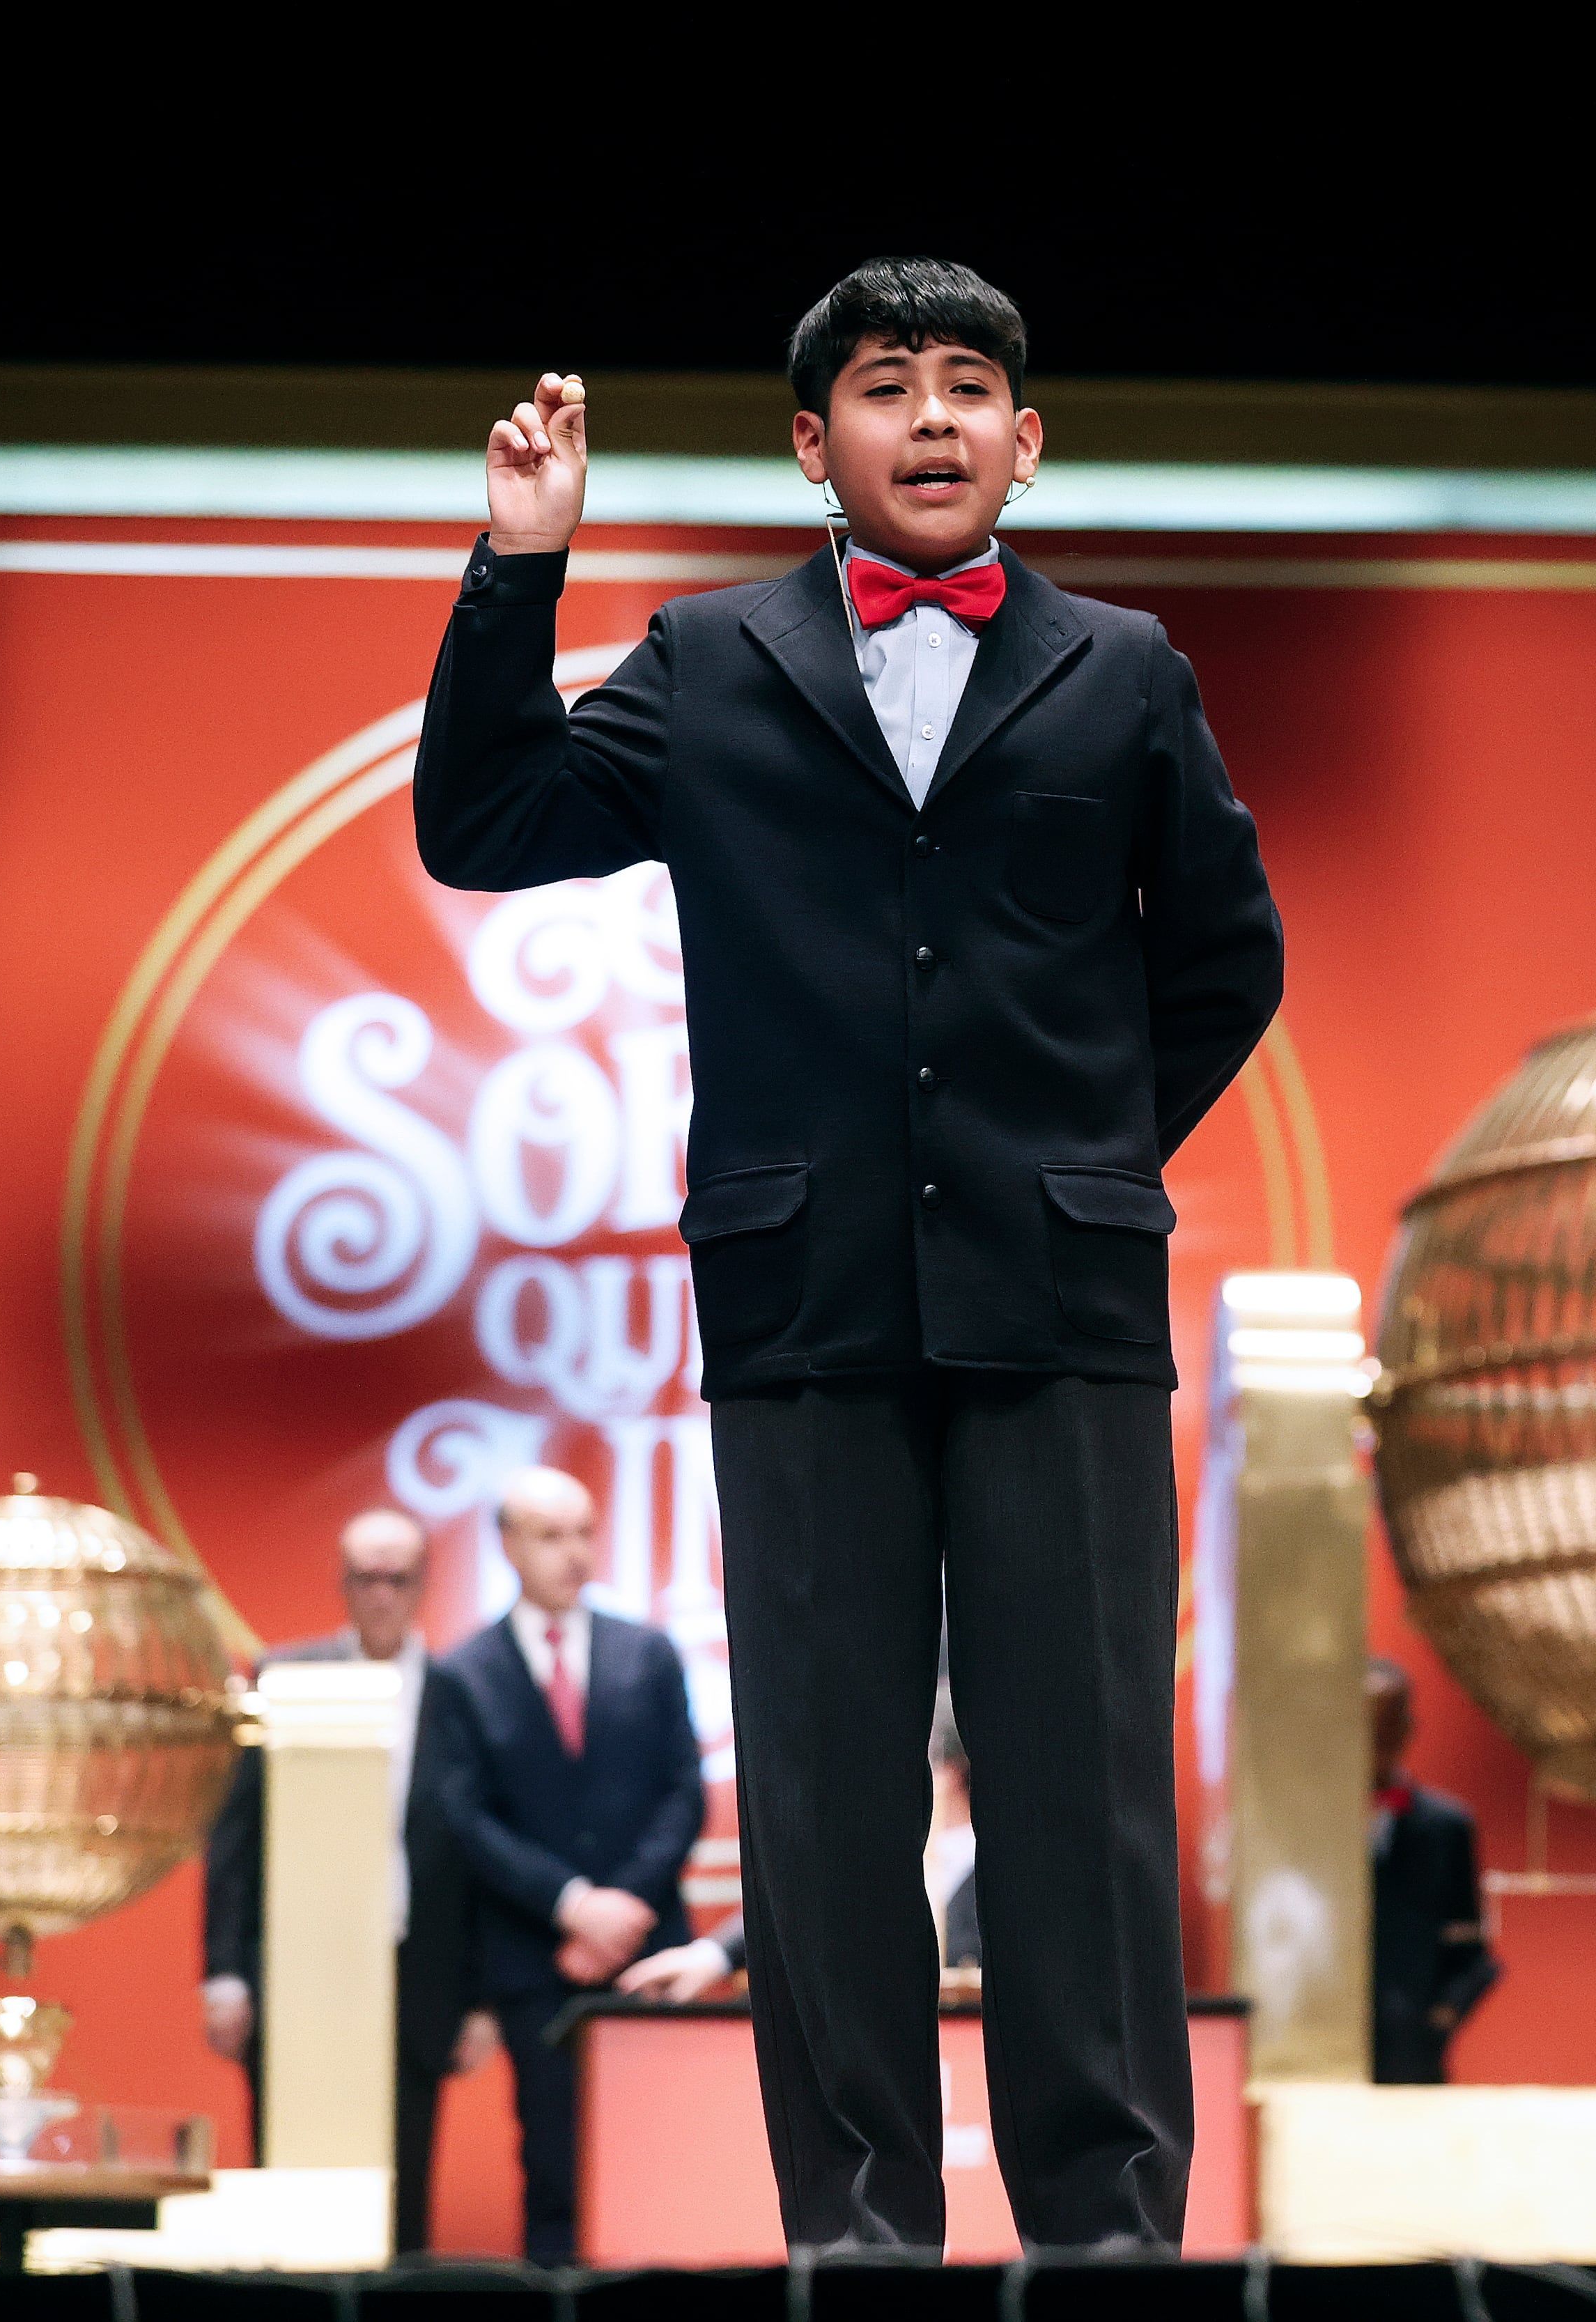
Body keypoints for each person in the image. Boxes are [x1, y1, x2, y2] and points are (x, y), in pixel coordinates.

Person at [417, 256, 1281, 2255]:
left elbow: (1227, 953)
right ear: (815, 446)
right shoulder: (714, 661)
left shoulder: (1128, 669)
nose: (937, 419)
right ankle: (859, 2232)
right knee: (821, 1799)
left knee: (1080, 1796)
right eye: (888, 387)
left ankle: (1109, 2229)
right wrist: (514, 568)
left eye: (972, 385)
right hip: (804, 1309)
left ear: (1029, 440)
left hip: (1061, 1313)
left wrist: (1083, 1162)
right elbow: (488, 817)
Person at [428, 1467, 706, 2262]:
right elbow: (467, 1819)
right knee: (554, 2171)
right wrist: (571, 1903)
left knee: (660, 2166)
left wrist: (622, 1907)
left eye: (585, 1532)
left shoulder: (646, 1653)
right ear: (509, 1545)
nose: (574, 1552)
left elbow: (683, 1794)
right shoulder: (465, 1673)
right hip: (534, 1959)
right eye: (552, 1536)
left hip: (648, 1955)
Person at [197, 1508, 490, 2255]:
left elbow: (483, 1856)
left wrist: (483, 1999)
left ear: (423, 1584)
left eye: (398, 1578)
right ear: (344, 1584)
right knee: (292, 2178)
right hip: (298, 1972)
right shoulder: (284, 1679)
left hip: (418, 1974)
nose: (382, 1595)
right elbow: (235, 1837)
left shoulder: (467, 1695)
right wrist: (225, 1973)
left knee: (404, 2192)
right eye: (366, 1578)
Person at [623, 1690, 982, 2000]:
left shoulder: (1001, 1872)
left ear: (946, 1772)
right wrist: (709, 1955)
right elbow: (796, 1905)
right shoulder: (867, 1862)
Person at [1365, 1659, 1496, 2084]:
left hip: (1414, 2055)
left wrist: (1437, 2018)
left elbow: (1472, 1949)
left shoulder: (1446, 1826)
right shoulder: (1308, 1828)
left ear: (1407, 1730)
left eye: (1385, 1729)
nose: (1374, 1743)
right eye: (1364, 1728)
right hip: (1317, 2049)